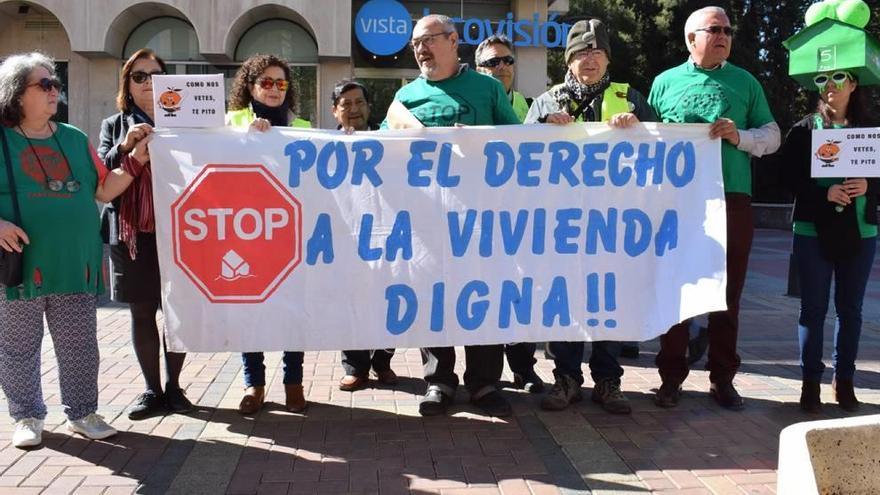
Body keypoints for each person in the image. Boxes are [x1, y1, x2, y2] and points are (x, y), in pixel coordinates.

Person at [0, 52, 144, 447]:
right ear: (16, 93)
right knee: (18, 347)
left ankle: (82, 413)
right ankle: (27, 417)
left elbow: (103, 188)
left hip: (75, 265)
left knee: (80, 345)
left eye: (55, 84)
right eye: (43, 84)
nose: (53, 91)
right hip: (20, 269)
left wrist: (134, 161)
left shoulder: (74, 138)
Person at [382, 14, 521, 417]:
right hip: (428, 220)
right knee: (433, 297)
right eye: (415, 44)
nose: (421, 49)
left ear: (453, 40)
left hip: (481, 221)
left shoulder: (487, 88)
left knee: (482, 295)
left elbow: (519, 143)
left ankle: (484, 383)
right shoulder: (405, 99)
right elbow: (381, 152)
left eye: (428, 40)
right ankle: (439, 380)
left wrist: (479, 142)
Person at [648, 6, 780, 410]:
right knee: (677, 288)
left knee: (729, 293)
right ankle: (671, 377)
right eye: (714, 29)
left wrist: (738, 136)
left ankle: (723, 378)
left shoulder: (745, 82)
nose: (723, 35)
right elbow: (647, 138)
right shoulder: (664, 82)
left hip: (732, 199)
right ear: (691, 39)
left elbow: (772, 136)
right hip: (678, 202)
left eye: (727, 30)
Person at [524, 19, 656, 415]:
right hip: (561, 223)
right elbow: (518, 159)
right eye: (581, 52)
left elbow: (663, 149)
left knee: (607, 299)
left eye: (597, 52)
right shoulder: (545, 102)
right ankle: (565, 377)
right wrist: (541, 129)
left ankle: (608, 380)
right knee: (563, 299)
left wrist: (640, 129)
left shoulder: (630, 98)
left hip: (612, 224)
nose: (590, 59)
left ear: (608, 57)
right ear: (568, 60)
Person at [778, 2, 879, 412]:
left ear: (854, 83)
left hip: (862, 232)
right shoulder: (803, 131)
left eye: (839, 77)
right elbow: (784, 178)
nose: (830, 85)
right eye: (823, 78)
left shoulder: (871, 132)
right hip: (812, 232)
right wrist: (824, 194)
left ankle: (845, 379)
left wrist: (869, 186)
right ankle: (809, 384)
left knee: (850, 310)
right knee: (813, 309)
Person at [97, 48, 192, 420]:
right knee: (142, 311)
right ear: (127, 83)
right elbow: (100, 176)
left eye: (156, 75)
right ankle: (151, 390)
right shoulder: (113, 125)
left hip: (182, 231)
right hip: (131, 231)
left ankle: (174, 388)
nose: (148, 83)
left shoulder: (186, 124)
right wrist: (127, 147)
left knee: (178, 312)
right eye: (139, 76)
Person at [226, 54, 309, 414]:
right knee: (251, 311)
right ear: (250, 85)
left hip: (291, 233)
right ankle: (254, 384)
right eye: (266, 82)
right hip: (246, 234)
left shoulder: (303, 126)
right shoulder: (231, 123)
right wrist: (245, 140)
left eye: (281, 83)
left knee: (293, 310)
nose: (274, 90)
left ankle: (294, 383)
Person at [473, 34, 545, 394]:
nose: (501, 67)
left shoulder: (535, 107)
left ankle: (523, 368)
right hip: (477, 219)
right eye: (491, 62)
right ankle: (484, 376)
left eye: (507, 61)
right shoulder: (472, 106)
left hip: (522, 219)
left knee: (520, 295)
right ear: (477, 69)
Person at [330, 79, 397, 391]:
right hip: (345, 238)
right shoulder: (321, 145)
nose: (354, 109)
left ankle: (383, 362)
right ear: (335, 112)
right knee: (351, 302)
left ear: (369, 108)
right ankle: (356, 367)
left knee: (388, 300)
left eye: (359, 102)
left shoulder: (389, 141)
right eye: (346, 104)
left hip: (389, 234)